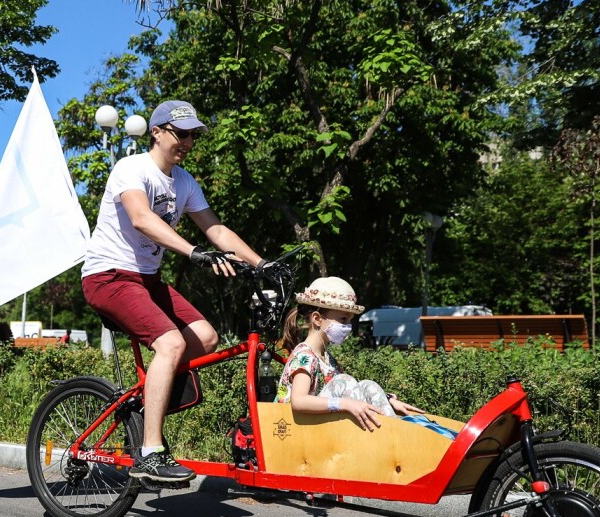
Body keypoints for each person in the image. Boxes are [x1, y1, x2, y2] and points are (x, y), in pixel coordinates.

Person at [81, 99, 267, 484]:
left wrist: (263, 265)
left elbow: (216, 231)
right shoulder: (131, 168)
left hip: (146, 280)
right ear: (157, 132)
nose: (187, 142)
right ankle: (151, 451)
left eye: (193, 136)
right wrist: (193, 252)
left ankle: (146, 399)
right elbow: (141, 218)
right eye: (180, 134)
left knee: (205, 336)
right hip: (109, 276)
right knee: (170, 344)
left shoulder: (184, 182)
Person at [275, 276, 425, 430]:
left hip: (317, 427)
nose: (348, 327)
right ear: (317, 319)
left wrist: (384, 400)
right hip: (297, 431)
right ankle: (382, 437)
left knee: (368, 385)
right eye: (343, 319)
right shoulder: (304, 356)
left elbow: (353, 392)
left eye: (350, 320)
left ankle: (392, 429)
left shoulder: (327, 359)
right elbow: (299, 401)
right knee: (345, 381)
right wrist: (344, 403)